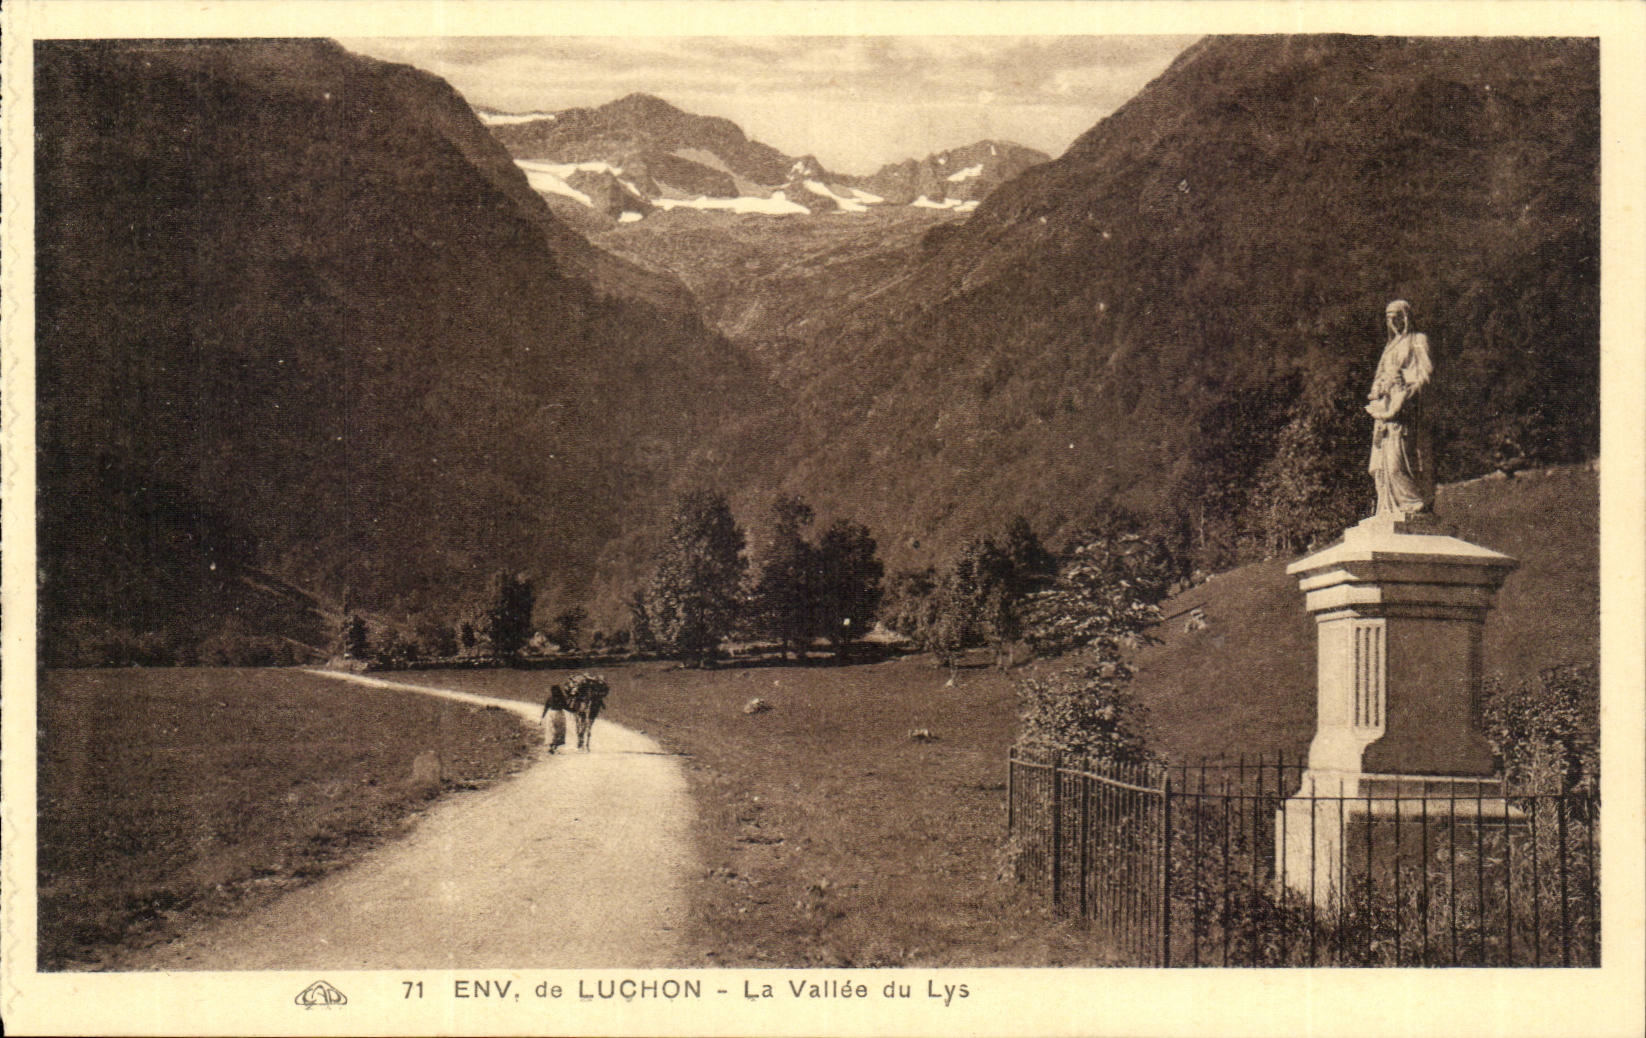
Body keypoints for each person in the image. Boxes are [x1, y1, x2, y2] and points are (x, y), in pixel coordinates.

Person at [1365, 299, 1435, 518]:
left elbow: (1426, 374)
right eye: (1387, 316)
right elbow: (1379, 377)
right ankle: (1388, 509)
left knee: (1398, 462)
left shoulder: (1418, 340)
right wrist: (1377, 390)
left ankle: (1413, 504)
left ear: (1406, 316)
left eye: (1396, 315)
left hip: (1404, 411)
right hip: (1384, 413)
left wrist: (1406, 389)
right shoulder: (1389, 347)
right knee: (1379, 467)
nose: (1392, 320)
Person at [541, 683, 570, 753]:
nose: (554, 692)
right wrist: (542, 717)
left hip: (555, 714)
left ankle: (553, 746)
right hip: (557, 714)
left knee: (555, 730)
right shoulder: (560, 698)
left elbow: (546, 708)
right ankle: (553, 746)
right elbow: (566, 707)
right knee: (554, 730)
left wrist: (543, 717)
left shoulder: (552, 698)